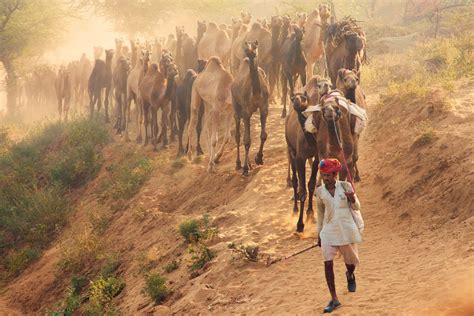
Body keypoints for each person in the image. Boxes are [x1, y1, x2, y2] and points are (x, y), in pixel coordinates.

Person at [316, 158, 362, 313]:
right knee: (327, 263)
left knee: (351, 262)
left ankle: (349, 275)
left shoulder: (345, 186)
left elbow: (356, 207)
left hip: (346, 230)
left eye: (328, 175)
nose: (326, 178)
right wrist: (319, 234)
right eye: (323, 175)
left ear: (335, 174)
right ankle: (334, 299)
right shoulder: (320, 192)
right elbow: (321, 214)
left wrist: (352, 198)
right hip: (328, 231)